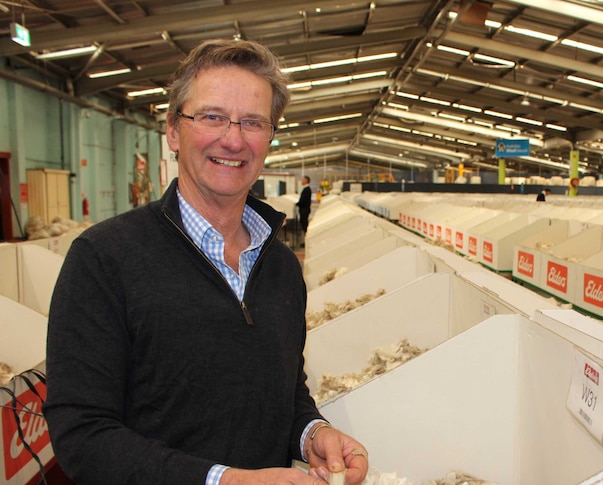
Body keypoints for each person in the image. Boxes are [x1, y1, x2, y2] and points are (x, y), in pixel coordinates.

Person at [43, 39, 368, 485]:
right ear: (173, 130)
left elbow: (284, 391)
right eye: (212, 116)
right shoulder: (104, 259)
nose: (233, 140)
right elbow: (82, 434)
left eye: (253, 122)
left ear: (270, 138)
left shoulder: (280, 266)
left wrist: (312, 433)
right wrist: (224, 480)